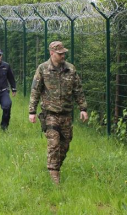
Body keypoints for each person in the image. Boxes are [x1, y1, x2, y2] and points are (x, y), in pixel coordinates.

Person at [28, 41, 88, 184]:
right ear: (52, 53)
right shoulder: (43, 69)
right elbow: (35, 90)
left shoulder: (71, 69)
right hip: (50, 114)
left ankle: (55, 166)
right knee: (54, 143)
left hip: (66, 114)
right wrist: (32, 111)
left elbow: (78, 90)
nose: (63, 56)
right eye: (60, 54)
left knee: (65, 144)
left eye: (64, 53)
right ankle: (54, 175)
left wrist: (83, 108)